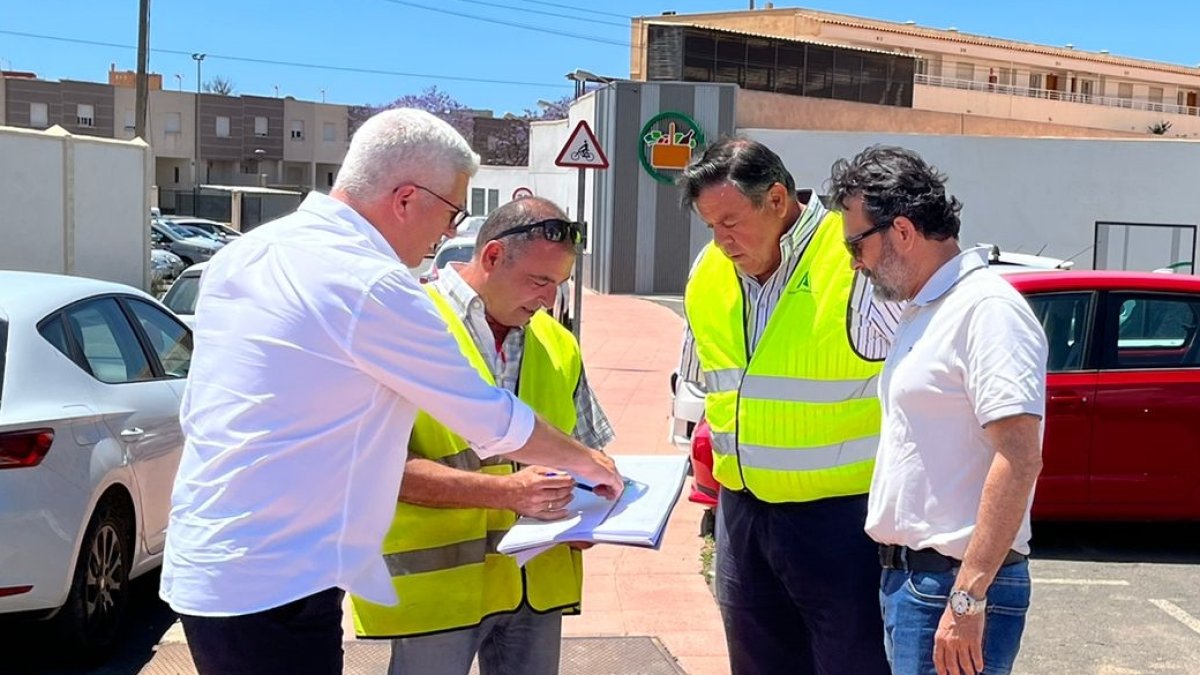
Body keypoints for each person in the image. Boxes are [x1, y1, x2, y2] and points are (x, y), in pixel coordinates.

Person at [160, 108, 623, 675]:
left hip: (214, 564)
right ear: (406, 199)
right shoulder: (371, 282)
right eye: (451, 212)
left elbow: (203, 409)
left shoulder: (247, 252)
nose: (448, 233)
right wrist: (590, 466)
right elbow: (492, 422)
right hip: (280, 577)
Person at [351, 196, 614, 675]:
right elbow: (369, 467)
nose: (549, 300)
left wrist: (593, 515)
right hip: (437, 593)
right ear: (492, 256)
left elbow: (586, 454)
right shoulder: (409, 324)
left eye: (559, 285)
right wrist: (505, 493)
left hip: (537, 585)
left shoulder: (557, 342)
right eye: (539, 281)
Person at [677, 137, 898, 675]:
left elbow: (921, 384)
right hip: (742, 515)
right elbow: (699, 382)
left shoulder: (854, 257)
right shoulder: (708, 270)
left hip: (842, 524)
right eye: (710, 225)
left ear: (777, 199)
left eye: (731, 222)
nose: (721, 240)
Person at [827, 145, 1047, 675]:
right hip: (916, 584)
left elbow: (1019, 457)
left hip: (952, 588)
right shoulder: (928, 309)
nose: (855, 262)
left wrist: (967, 599)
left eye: (857, 244)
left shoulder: (986, 310)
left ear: (902, 231)